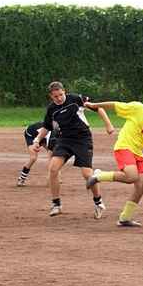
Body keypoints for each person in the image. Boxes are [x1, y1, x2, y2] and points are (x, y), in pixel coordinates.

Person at [84, 95, 143, 227]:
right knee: (131, 176)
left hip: (137, 152)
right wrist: (95, 105)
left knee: (141, 186)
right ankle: (98, 176)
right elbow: (115, 104)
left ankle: (125, 218)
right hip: (124, 146)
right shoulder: (138, 108)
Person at [31, 81, 115, 218]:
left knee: (87, 175)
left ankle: (98, 203)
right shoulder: (52, 109)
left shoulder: (75, 99)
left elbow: (98, 108)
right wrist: (36, 140)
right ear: (51, 97)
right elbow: (47, 127)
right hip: (65, 140)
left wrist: (109, 125)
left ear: (65, 91)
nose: (59, 98)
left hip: (82, 139)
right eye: (55, 96)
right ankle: (56, 204)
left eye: (61, 94)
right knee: (53, 168)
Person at [17, 121, 57, 187]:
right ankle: (21, 179)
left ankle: (53, 178)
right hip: (31, 134)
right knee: (33, 158)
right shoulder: (52, 134)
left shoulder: (57, 132)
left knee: (54, 156)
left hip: (42, 136)